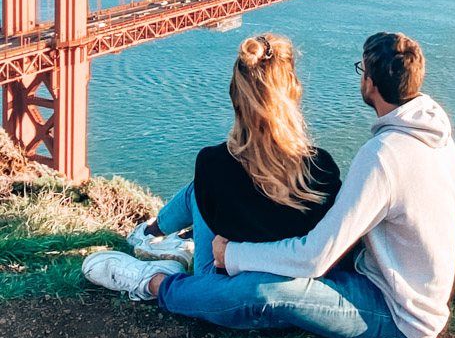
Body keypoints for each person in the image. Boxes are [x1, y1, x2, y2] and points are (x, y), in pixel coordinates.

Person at [85, 32, 455, 338]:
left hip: (396, 316)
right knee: (208, 184)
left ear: (372, 85)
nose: (360, 77)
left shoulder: (383, 156)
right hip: (383, 279)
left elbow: (315, 258)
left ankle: (153, 281)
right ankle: (154, 236)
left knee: (257, 290)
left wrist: (230, 253)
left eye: (360, 70)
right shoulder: (435, 136)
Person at [83, 33, 341, 288]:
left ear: (235, 93)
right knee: (212, 186)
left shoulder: (214, 162)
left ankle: (150, 235)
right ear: (293, 88)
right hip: (301, 291)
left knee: (201, 188)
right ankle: (162, 239)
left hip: (219, 285)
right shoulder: (323, 168)